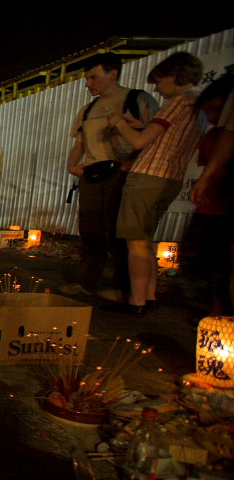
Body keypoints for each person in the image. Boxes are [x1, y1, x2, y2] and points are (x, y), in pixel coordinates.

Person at [106, 52, 207, 316]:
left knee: (135, 242)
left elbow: (139, 142)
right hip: (171, 178)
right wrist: (140, 124)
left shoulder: (178, 101)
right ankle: (149, 297)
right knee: (145, 240)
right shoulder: (199, 103)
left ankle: (136, 301)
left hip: (148, 175)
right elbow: (166, 134)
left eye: (160, 82)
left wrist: (119, 123)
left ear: (175, 76)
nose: (157, 89)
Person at [65, 52, 158, 299]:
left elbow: (155, 136)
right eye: (86, 79)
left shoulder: (137, 99)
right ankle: (88, 284)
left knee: (119, 233)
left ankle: (123, 288)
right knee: (90, 231)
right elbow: (79, 143)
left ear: (113, 74)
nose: (88, 84)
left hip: (123, 173)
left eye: (94, 77)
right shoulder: (88, 109)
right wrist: (72, 166)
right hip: (92, 174)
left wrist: (130, 163)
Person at [182, 74, 234, 316]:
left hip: (223, 210)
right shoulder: (216, 136)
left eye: (216, 110)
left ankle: (219, 316)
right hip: (209, 208)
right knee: (200, 265)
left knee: (221, 268)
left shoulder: (224, 136)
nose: (213, 117)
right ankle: (211, 316)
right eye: (208, 112)